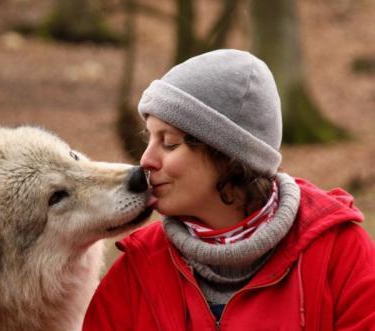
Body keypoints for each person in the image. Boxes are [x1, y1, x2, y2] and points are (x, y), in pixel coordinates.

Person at [83, 49, 375, 330]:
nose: (146, 160)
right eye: (150, 139)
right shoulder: (138, 268)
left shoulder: (341, 254)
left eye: (169, 142)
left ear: (226, 155)